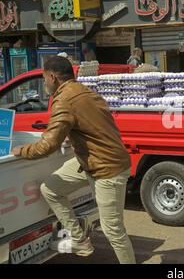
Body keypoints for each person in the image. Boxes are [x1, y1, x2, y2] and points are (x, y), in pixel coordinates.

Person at [11, 56, 136, 264]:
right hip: (90, 160)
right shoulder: (84, 91)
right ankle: (79, 240)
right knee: (50, 189)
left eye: (44, 80)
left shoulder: (64, 100)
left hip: (107, 169)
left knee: (113, 230)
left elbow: (47, 146)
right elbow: (93, 125)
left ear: (52, 77)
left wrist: (20, 150)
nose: (44, 84)